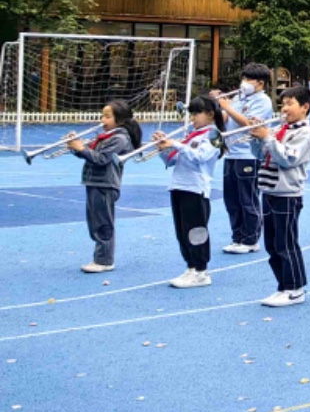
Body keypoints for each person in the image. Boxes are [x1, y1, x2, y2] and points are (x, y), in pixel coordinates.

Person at [253, 85, 310, 308]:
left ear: (305, 107)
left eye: (290, 104)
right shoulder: (281, 129)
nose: (284, 108)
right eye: (283, 104)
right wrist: (258, 139)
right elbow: (259, 155)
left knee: (286, 242)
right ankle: (283, 285)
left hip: (287, 194)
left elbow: (288, 158)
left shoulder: (305, 132)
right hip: (269, 190)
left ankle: (295, 288)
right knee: (271, 244)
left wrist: (268, 138)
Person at [154, 96, 222, 288]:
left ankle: (201, 271)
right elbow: (172, 161)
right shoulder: (191, 135)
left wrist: (175, 144)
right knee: (182, 231)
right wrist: (163, 149)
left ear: (210, 114)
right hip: (179, 185)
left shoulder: (214, 135)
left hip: (196, 188)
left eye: (196, 114)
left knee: (196, 231)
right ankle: (191, 266)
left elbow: (200, 156)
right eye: (191, 114)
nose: (192, 118)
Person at [69, 101, 141, 274]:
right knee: (95, 222)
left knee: (103, 224)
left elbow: (101, 159)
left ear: (120, 119)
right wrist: (75, 146)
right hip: (95, 181)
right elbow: (90, 154)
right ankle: (100, 257)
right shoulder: (106, 136)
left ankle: (104, 260)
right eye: (103, 116)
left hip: (105, 184)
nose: (102, 120)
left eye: (107, 116)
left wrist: (81, 148)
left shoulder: (119, 138)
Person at [216, 64, 274, 254]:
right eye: (244, 78)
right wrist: (215, 108)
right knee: (231, 200)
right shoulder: (238, 97)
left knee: (247, 199)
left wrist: (228, 107)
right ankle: (237, 237)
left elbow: (250, 124)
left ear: (260, 83)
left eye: (249, 79)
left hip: (248, 155)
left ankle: (250, 239)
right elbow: (225, 118)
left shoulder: (263, 101)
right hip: (231, 153)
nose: (244, 82)